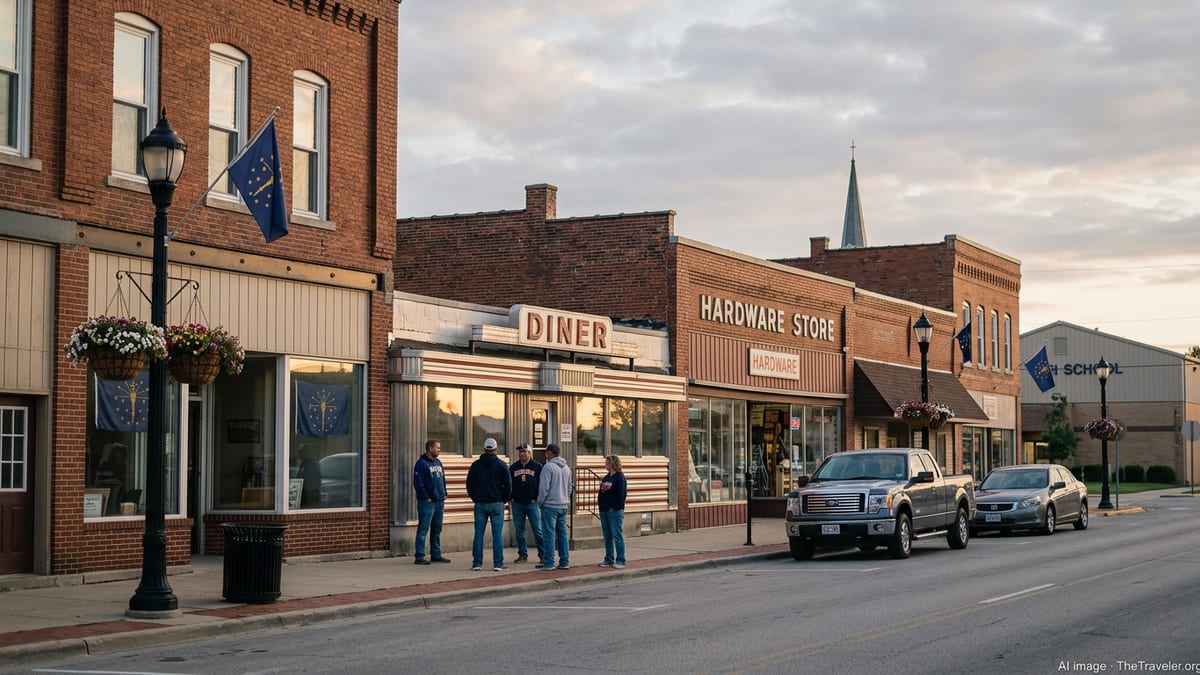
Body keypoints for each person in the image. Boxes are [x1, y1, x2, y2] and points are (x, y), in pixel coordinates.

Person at [466, 437, 512, 571]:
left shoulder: (476, 465)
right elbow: (508, 485)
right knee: (497, 534)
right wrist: (504, 498)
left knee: (478, 534)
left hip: (480, 503)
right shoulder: (501, 465)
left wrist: (475, 497)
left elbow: (469, 484)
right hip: (497, 502)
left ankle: (477, 563)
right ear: (496, 449)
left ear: (484, 449)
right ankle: (498, 564)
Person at [412, 439, 451, 565]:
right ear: (430, 448)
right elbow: (418, 483)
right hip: (427, 502)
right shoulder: (421, 463)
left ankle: (436, 554)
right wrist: (425, 497)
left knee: (437, 529)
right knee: (423, 528)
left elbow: (442, 479)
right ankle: (420, 555)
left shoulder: (438, 462)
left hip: (439, 500)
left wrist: (444, 493)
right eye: (437, 448)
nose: (439, 450)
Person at [537, 443, 573, 570]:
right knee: (562, 534)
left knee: (549, 534)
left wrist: (540, 502)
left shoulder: (548, 467)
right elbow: (570, 487)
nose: (545, 455)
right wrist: (564, 497)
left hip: (550, 505)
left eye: (546, 452)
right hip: (563, 505)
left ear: (550, 453)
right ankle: (564, 561)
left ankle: (549, 562)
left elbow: (544, 488)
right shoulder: (567, 468)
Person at [508, 442, 544, 564]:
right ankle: (522, 555)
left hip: (532, 503)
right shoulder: (513, 467)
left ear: (529, 453)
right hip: (517, 503)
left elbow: (542, 484)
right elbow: (509, 484)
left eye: (524, 452)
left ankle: (543, 555)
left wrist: (538, 498)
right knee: (519, 530)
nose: (522, 454)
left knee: (538, 530)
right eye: (520, 452)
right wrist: (510, 498)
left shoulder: (537, 466)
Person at [598, 454, 628, 569]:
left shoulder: (620, 477)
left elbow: (621, 495)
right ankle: (608, 558)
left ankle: (621, 559)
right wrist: (601, 507)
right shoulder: (606, 478)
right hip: (604, 511)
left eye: (607, 463)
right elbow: (601, 493)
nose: (605, 465)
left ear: (613, 464)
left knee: (617, 536)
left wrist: (614, 507)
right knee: (607, 537)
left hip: (614, 512)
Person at [297, 444, 323, 508]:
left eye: (301, 452)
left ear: (307, 452)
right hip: (309, 493)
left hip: (310, 494)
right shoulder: (306, 462)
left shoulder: (310, 463)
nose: (299, 454)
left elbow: (313, 479)